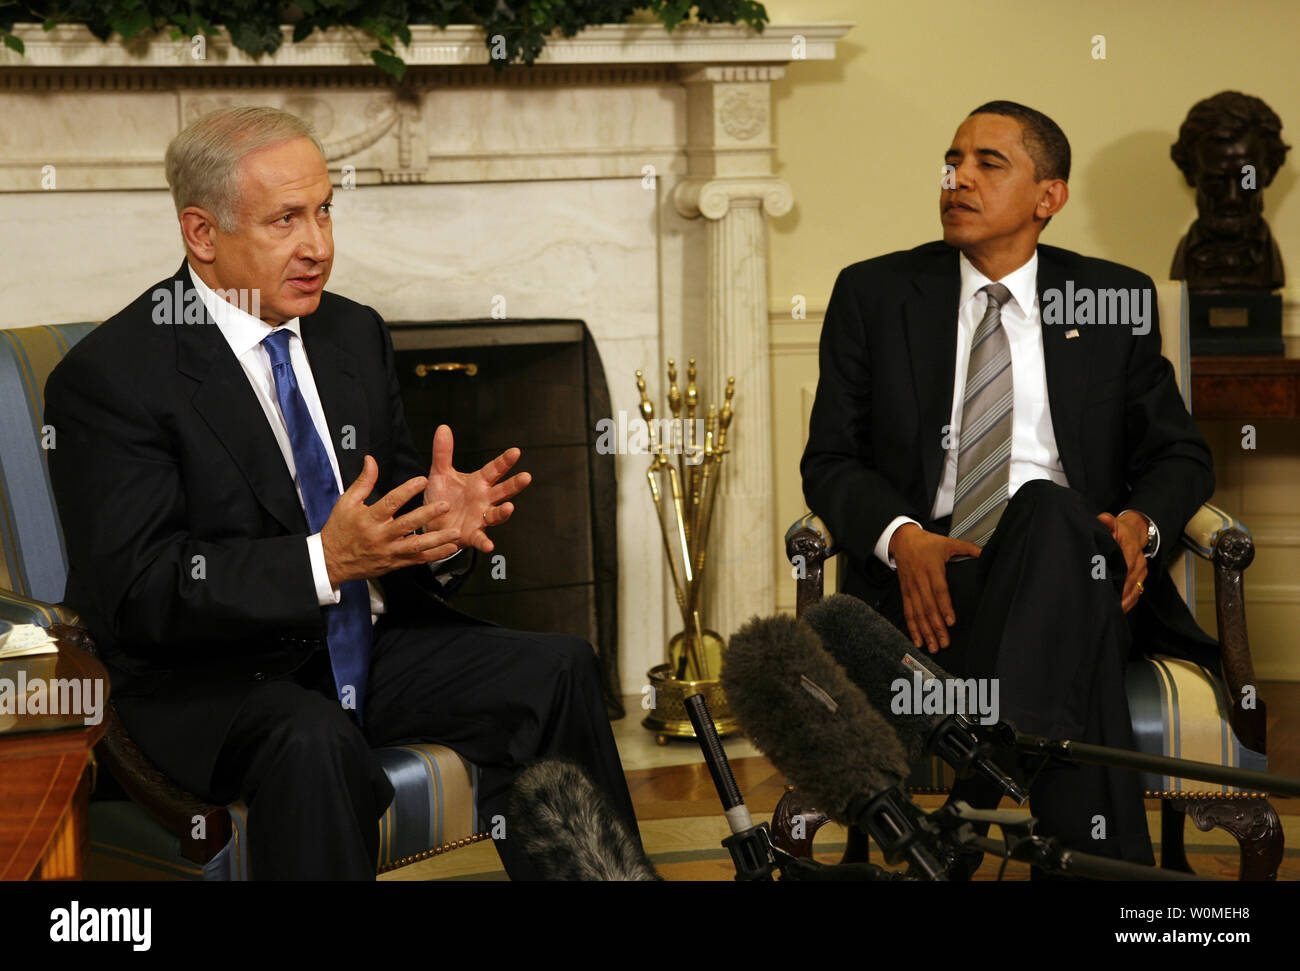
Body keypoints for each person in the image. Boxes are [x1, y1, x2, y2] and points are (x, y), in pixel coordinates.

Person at [44, 105, 641, 880]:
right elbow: (143, 592)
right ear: (201, 233)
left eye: (324, 209)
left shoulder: (351, 333)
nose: (318, 246)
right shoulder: (114, 377)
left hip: (362, 646)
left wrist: (437, 529)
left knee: (558, 667)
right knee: (313, 737)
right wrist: (320, 561)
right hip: (211, 678)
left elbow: (383, 516)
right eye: (285, 219)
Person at [801, 101, 1216, 873]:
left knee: (1051, 511)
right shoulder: (877, 293)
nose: (958, 178)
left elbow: (1181, 457)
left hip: (1082, 572)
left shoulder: (1111, 299)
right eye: (952, 160)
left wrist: (1138, 526)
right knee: (1070, 607)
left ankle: (972, 799)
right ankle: (1114, 880)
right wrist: (903, 537)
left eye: (989, 163)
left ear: (1048, 197)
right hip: (931, 597)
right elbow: (828, 459)